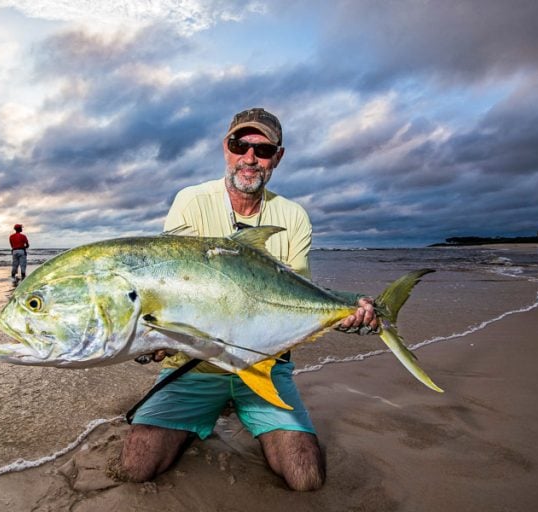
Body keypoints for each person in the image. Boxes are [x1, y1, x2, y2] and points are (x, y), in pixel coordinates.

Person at [119, 107, 379, 491]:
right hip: (195, 366)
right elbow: (176, 290)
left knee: (305, 476)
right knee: (136, 466)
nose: (250, 158)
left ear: (278, 157)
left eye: (263, 150)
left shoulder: (293, 216)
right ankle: (200, 415)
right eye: (240, 145)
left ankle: (230, 408)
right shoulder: (191, 202)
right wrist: (153, 339)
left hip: (266, 364)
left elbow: (295, 298)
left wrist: (346, 310)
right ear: (226, 148)